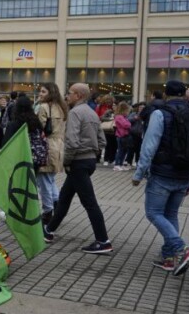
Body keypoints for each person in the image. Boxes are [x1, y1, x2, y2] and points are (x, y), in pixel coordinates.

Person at [131, 80, 189, 274]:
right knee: (171, 214)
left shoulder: (160, 114)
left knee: (153, 213)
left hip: (163, 173)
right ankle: (169, 257)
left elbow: (149, 145)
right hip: (186, 173)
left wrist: (139, 173)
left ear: (166, 94)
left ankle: (181, 249)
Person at [43, 83, 113, 254]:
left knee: (90, 203)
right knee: (65, 197)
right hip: (88, 161)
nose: (67, 96)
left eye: (70, 93)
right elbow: (102, 141)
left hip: (78, 163)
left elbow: (72, 142)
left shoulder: (75, 113)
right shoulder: (91, 112)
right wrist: (93, 152)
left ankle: (103, 241)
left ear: (79, 95)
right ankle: (49, 230)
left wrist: (65, 161)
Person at [36, 83, 67, 224]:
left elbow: (38, 129)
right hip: (59, 147)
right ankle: (58, 207)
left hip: (46, 146)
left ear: (51, 93)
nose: (40, 94)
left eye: (43, 91)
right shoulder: (62, 108)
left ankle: (47, 212)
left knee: (44, 183)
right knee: (50, 180)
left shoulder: (43, 107)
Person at [112, 102, 132, 170]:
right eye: (127, 110)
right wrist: (129, 123)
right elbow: (126, 125)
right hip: (121, 136)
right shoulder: (119, 117)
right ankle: (117, 164)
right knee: (120, 150)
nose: (128, 112)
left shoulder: (123, 117)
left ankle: (120, 164)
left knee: (124, 151)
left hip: (124, 136)